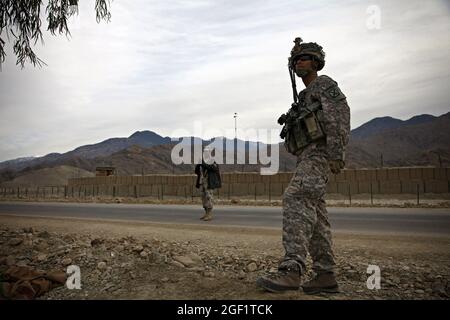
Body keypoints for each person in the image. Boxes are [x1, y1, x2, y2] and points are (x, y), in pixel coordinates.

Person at [256, 37, 350, 294]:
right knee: (316, 217)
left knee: (296, 197)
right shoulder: (305, 96)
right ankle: (325, 275)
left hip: (320, 155)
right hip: (307, 156)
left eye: (305, 58)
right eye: (296, 59)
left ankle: (292, 270)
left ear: (316, 61)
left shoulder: (325, 84)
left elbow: (338, 116)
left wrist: (336, 153)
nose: (300, 63)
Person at [195, 147, 222, 221]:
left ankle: (209, 214)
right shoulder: (202, 161)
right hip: (202, 182)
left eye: (207, 152)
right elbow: (197, 171)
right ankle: (206, 213)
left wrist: (203, 164)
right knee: (204, 198)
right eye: (204, 152)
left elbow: (214, 169)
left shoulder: (212, 160)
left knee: (209, 197)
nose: (205, 153)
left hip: (209, 182)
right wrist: (198, 165)